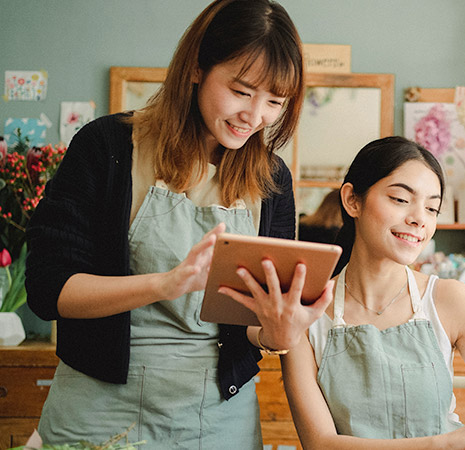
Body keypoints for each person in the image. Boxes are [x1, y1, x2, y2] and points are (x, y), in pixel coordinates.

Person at [25, 1, 332, 448]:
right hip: (96, 406)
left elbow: (251, 325)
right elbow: (49, 290)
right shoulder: (106, 146)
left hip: (216, 416)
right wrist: (165, 284)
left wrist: (279, 331)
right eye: (242, 91)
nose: (255, 115)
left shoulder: (271, 179)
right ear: (195, 68)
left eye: (274, 102)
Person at [277, 136, 465, 449]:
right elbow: (321, 444)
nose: (419, 218)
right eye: (400, 199)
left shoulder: (450, 300)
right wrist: (448, 444)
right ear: (352, 200)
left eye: (432, 207)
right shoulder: (304, 312)